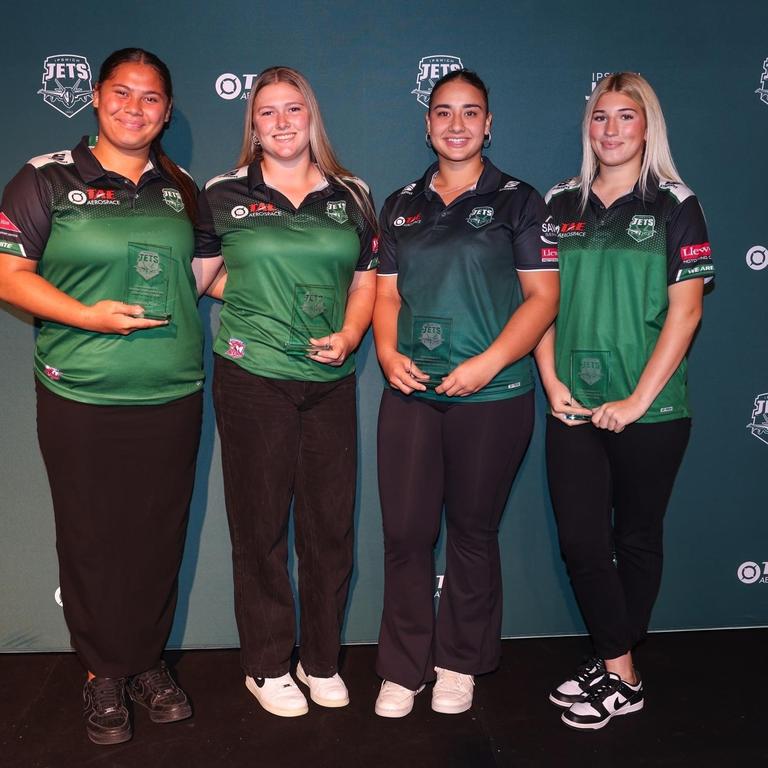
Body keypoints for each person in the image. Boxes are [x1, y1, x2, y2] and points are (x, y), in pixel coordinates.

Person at [0, 48, 213, 744]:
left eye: (151, 98)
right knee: (91, 536)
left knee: (157, 534)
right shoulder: (45, 177)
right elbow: (8, 274)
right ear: (95, 97)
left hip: (171, 389)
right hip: (81, 394)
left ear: (167, 111)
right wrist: (85, 314)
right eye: (122, 93)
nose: (135, 107)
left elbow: (208, 275)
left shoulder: (182, 186)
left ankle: (146, 663)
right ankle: (101, 674)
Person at [372, 69, 559, 718]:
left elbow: (543, 299)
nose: (456, 124)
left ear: (488, 124)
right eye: (444, 112)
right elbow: (387, 295)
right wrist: (388, 351)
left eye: (470, 112)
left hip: (495, 392)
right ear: (427, 125)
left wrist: (488, 363)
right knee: (406, 533)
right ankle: (402, 668)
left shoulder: (519, 201)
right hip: (412, 391)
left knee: (473, 533)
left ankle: (459, 663)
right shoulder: (399, 203)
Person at [195, 66, 378, 718]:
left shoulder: (351, 193)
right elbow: (198, 278)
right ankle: (267, 665)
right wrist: (252, 304)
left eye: (292, 109)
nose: (280, 122)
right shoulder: (223, 194)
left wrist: (352, 333)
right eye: (266, 112)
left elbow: (366, 280)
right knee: (261, 528)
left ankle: (320, 659)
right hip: (252, 378)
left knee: (329, 530)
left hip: (328, 383)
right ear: (253, 123)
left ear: (311, 116)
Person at [535, 72, 714, 730]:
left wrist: (639, 399)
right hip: (573, 406)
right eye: (599, 117)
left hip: (654, 409)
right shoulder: (559, 203)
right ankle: (622, 670)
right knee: (582, 542)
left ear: (647, 127)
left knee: (635, 539)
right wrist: (553, 383)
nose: (610, 130)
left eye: (624, 118)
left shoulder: (675, 201)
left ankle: (615, 672)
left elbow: (686, 312)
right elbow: (541, 303)